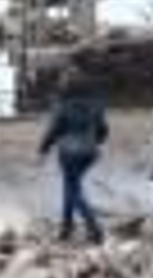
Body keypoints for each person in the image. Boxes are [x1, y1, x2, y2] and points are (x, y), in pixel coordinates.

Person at [38, 71, 108, 244]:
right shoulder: (95, 104)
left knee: (73, 190)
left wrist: (43, 150)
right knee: (71, 185)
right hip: (90, 153)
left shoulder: (62, 105)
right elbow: (103, 129)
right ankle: (66, 228)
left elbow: (53, 130)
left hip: (69, 153)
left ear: (65, 87)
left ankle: (93, 227)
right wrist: (96, 142)